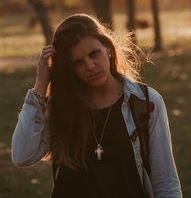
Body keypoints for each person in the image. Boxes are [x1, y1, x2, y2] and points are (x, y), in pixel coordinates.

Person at [12, 13, 182, 198]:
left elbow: (165, 182)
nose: (90, 66)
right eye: (78, 62)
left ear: (108, 48)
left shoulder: (144, 102)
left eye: (94, 54)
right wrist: (40, 86)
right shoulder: (59, 107)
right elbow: (22, 156)